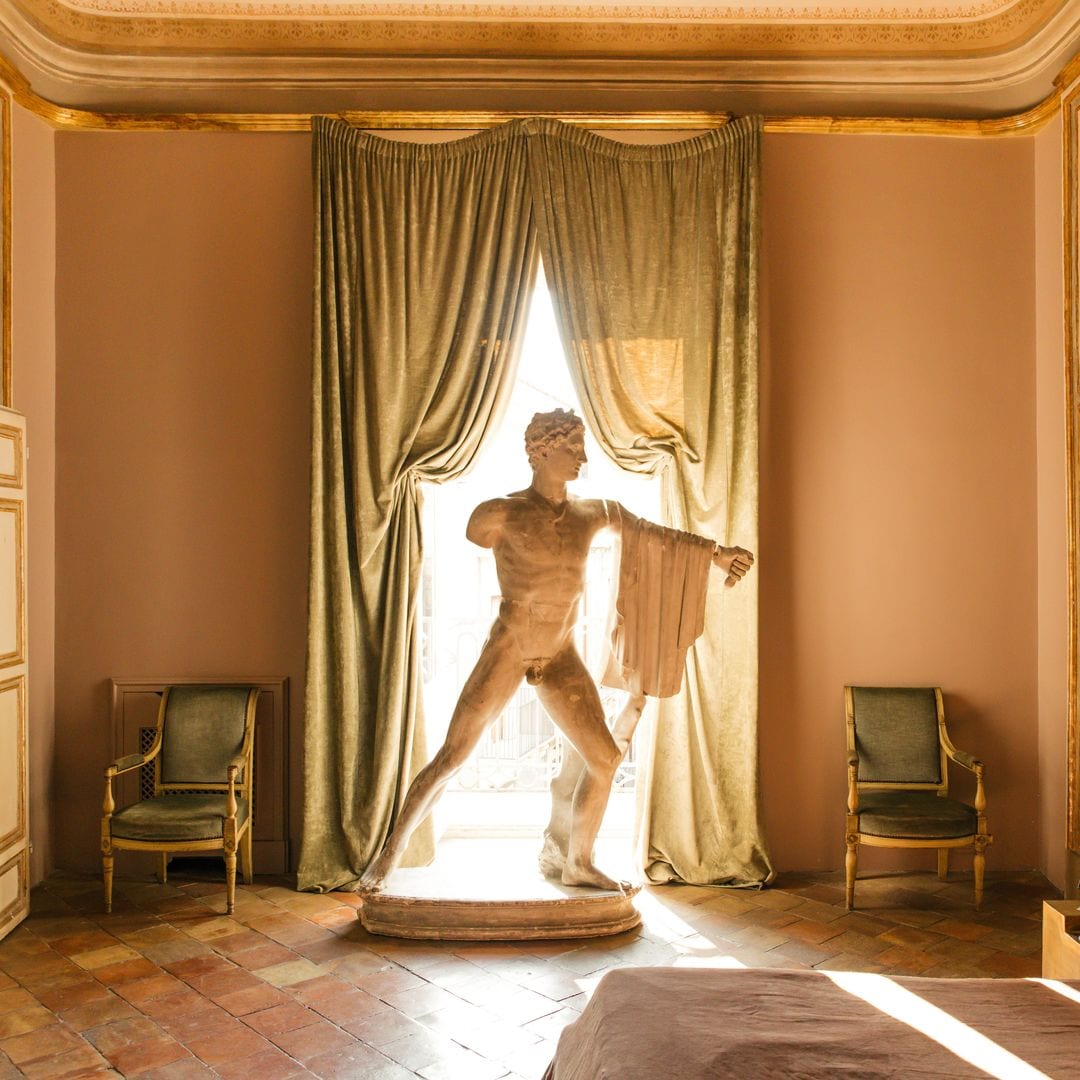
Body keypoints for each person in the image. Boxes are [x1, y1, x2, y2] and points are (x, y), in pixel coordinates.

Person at [360, 408, 753, 893]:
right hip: (509, 647)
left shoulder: (594, 514)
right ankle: (386, 859)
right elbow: (474, 539)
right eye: (573, 448)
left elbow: (655, 536)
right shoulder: (496, 514)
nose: (583, 458)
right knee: (453, 756)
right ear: (542, 449)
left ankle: (578, 862)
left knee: (605, 759)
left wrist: (718, 555)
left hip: (560, 653)